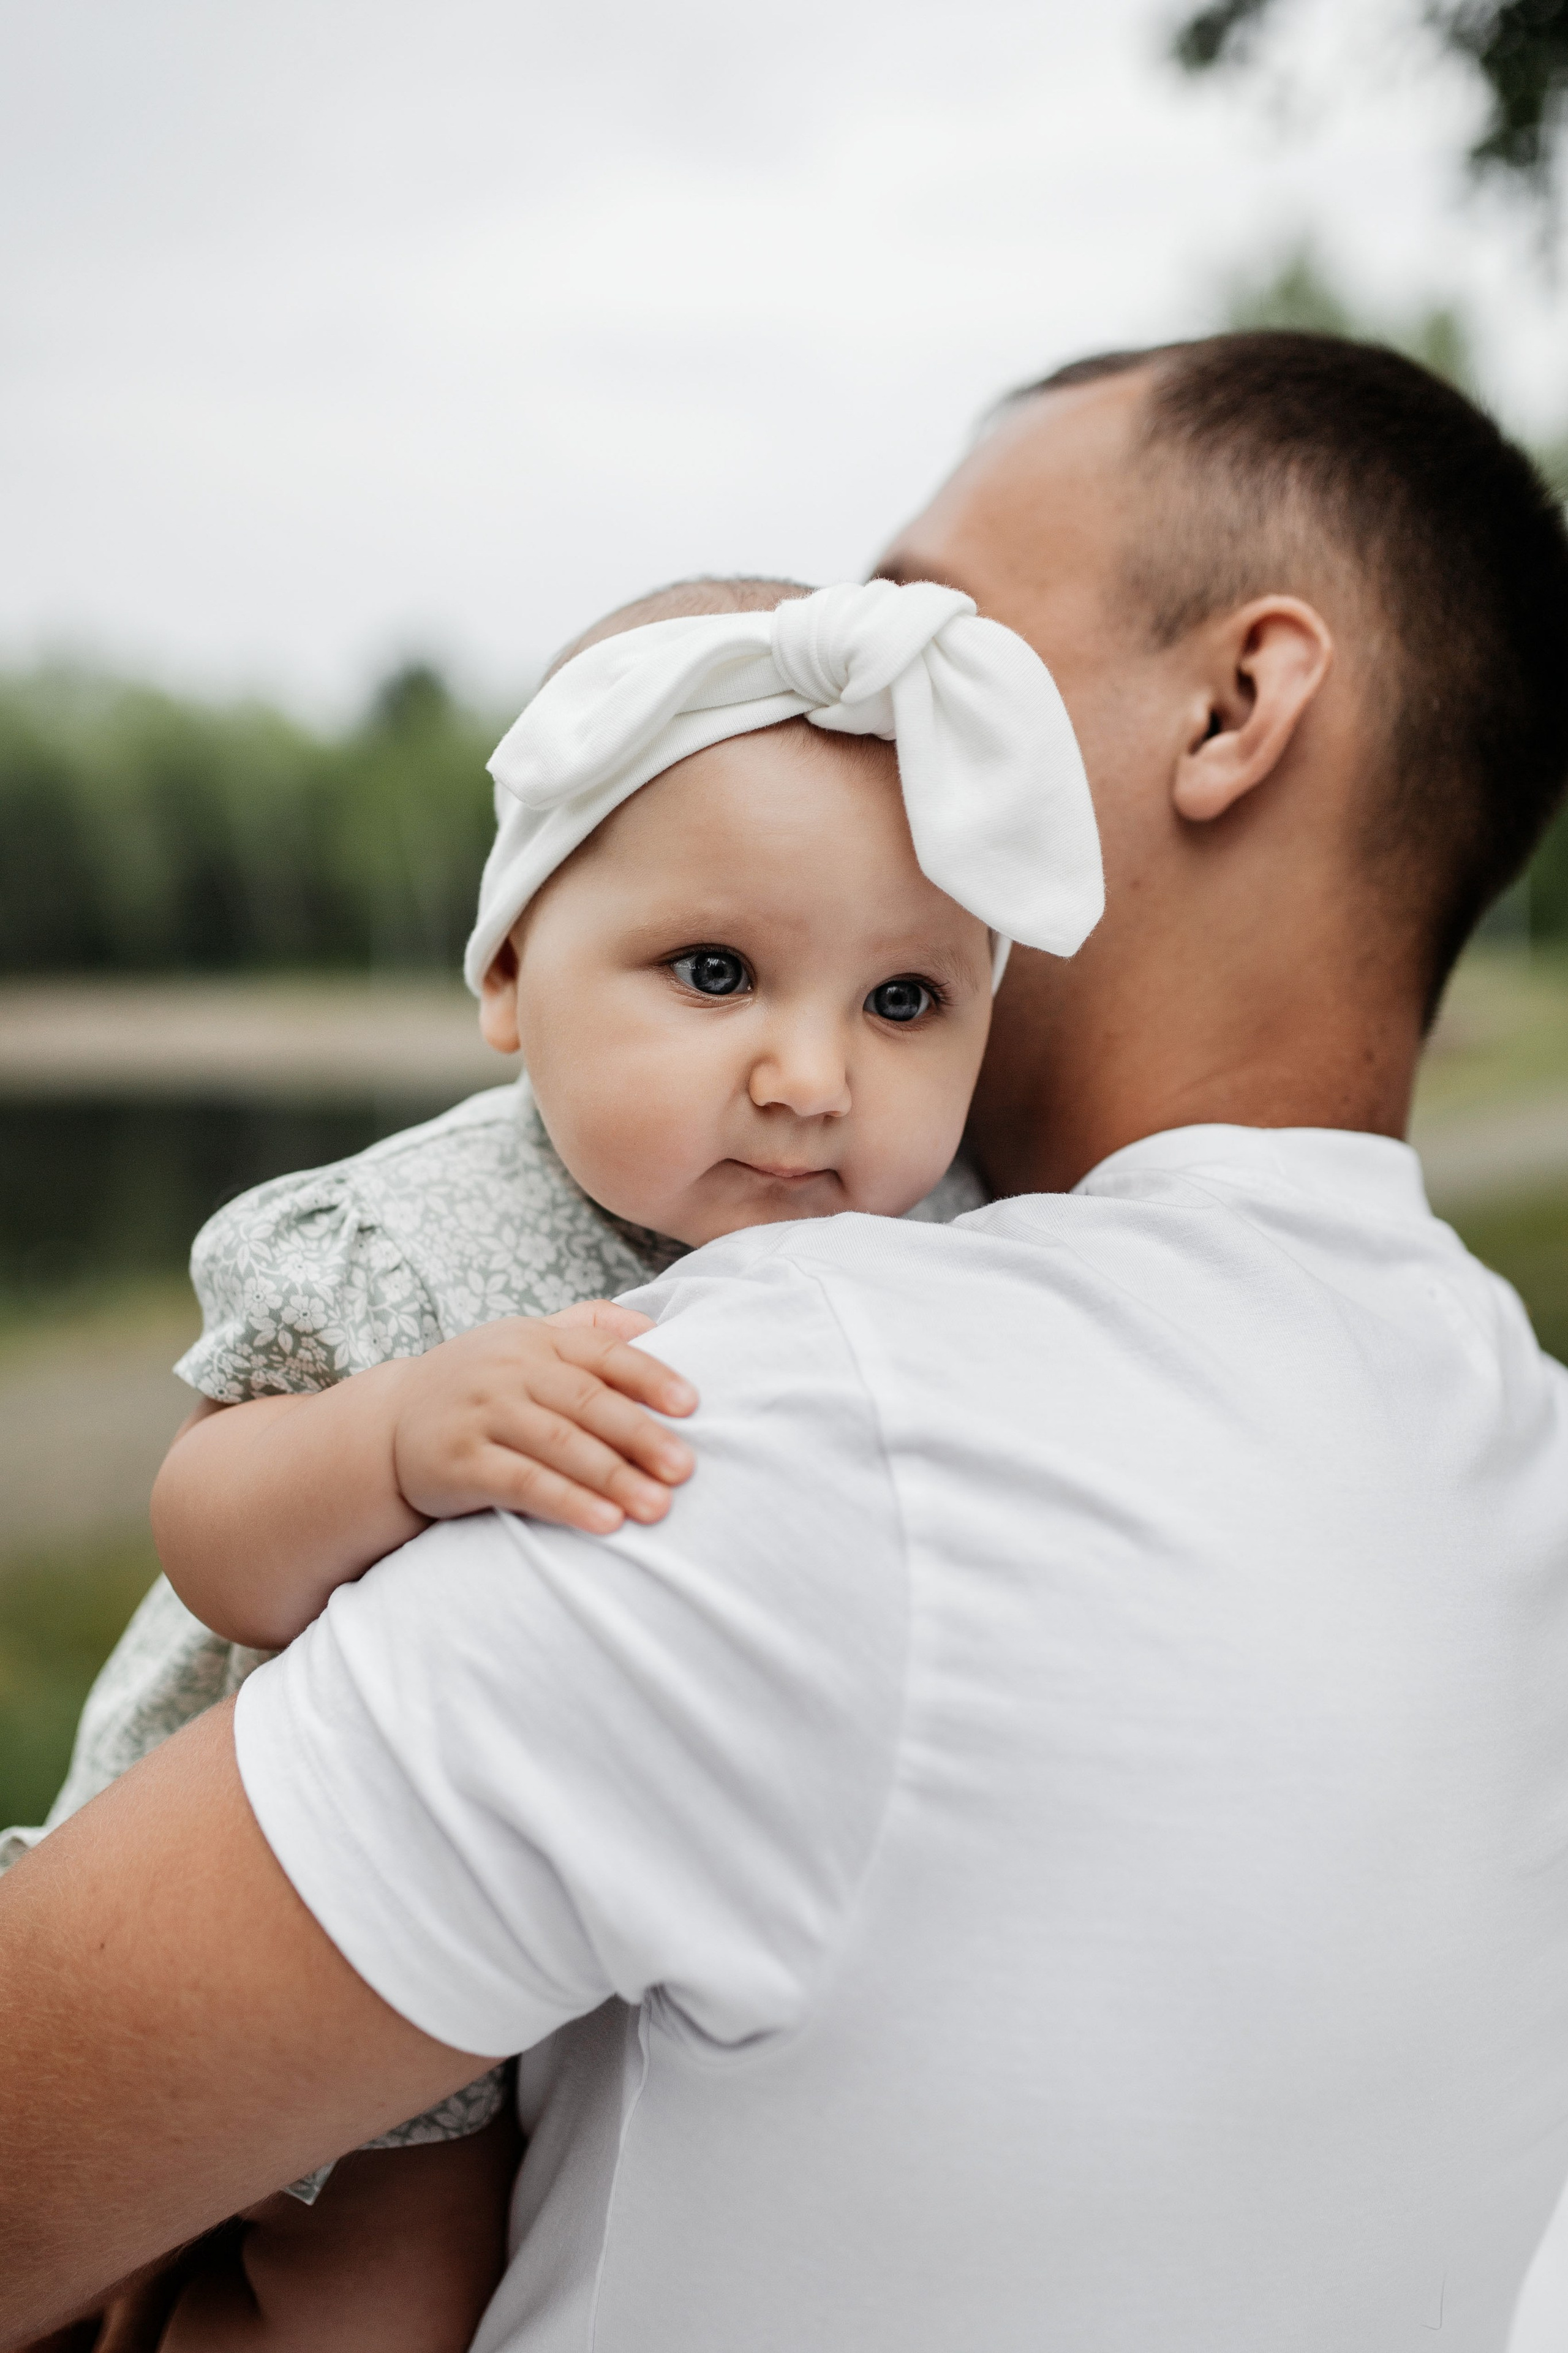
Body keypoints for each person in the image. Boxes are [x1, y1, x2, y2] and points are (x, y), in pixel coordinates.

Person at [5, 329, 1568, 2353]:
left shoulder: (774, 1399)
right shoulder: (1523, 1459)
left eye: (931, 630)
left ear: (1237, 706)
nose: (837, 705)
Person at [0, 575, 1101, 2351]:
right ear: (511, 970)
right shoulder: (407, 1242)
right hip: (287, 1912)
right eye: (717, 972)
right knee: (382, 2293)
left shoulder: (938, 1242)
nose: (811, 1075)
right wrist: (388, 1440)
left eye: (906, 1000)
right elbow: (208, 1529)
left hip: (604, 1960)